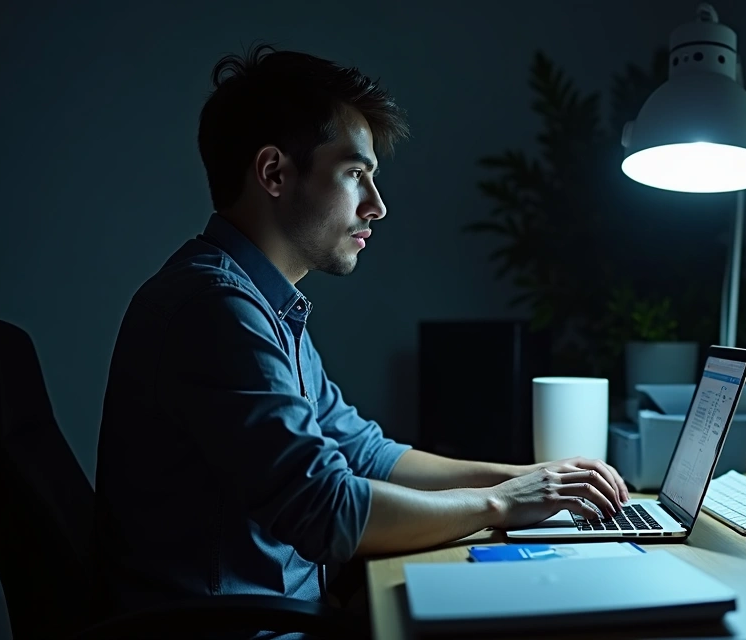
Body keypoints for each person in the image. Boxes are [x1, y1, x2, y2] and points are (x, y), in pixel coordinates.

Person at [93, 44, 629, 639]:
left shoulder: (262, 304)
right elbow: (329, 512)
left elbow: (365, 454)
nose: (377, 206)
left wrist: (531, 479)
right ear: (274, 172)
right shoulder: (216, 309)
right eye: (356, 174)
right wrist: (503, 503)